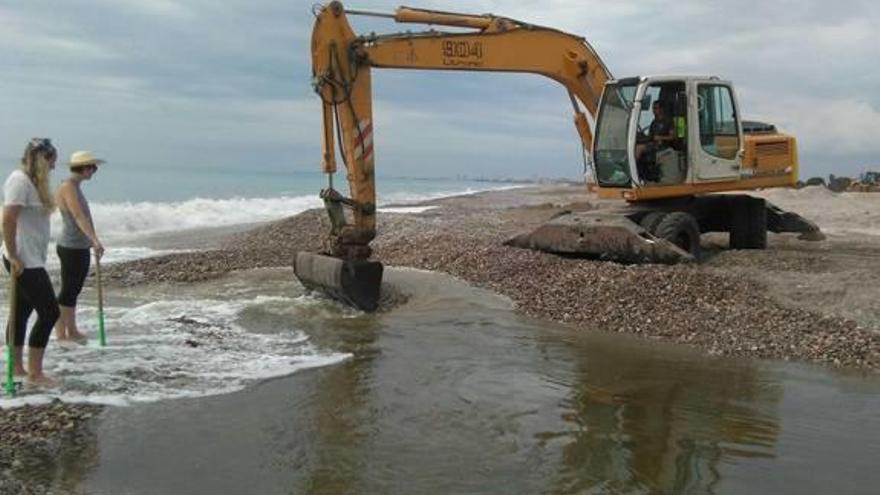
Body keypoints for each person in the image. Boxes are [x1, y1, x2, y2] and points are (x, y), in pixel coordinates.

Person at [3, 138, 61, 387]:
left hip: (32, 258)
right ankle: (35, 374)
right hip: (23, 260)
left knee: (21, 312)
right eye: (52, 162)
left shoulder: (35, 184)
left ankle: (16, 368)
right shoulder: (19, 180)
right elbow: (7, 219)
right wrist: (14, 255)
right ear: (42, 159)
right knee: (50, 312)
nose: (54, 168)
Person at [54, 151, 105, 344]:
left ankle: (71, 330)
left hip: (78, 245)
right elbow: (78, 216)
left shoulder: (74, 186)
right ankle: (61, 334)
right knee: (68, 290)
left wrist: (91, 240)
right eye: (93, 167)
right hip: (71, 246)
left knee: (73, 290)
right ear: (84, 168)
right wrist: (94, 240)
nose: (94, 171)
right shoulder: (68, 187)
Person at [636, 101, 676, 181]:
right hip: (653, 144)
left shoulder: (668, 121)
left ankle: (633, 171)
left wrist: (660, 137)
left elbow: (673, 137)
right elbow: (651, 137)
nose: (653, 111)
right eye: (653, 108)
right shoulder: (654, 122)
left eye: (655, 108)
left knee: (639, 148)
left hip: (663, 146)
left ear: (661, 109)